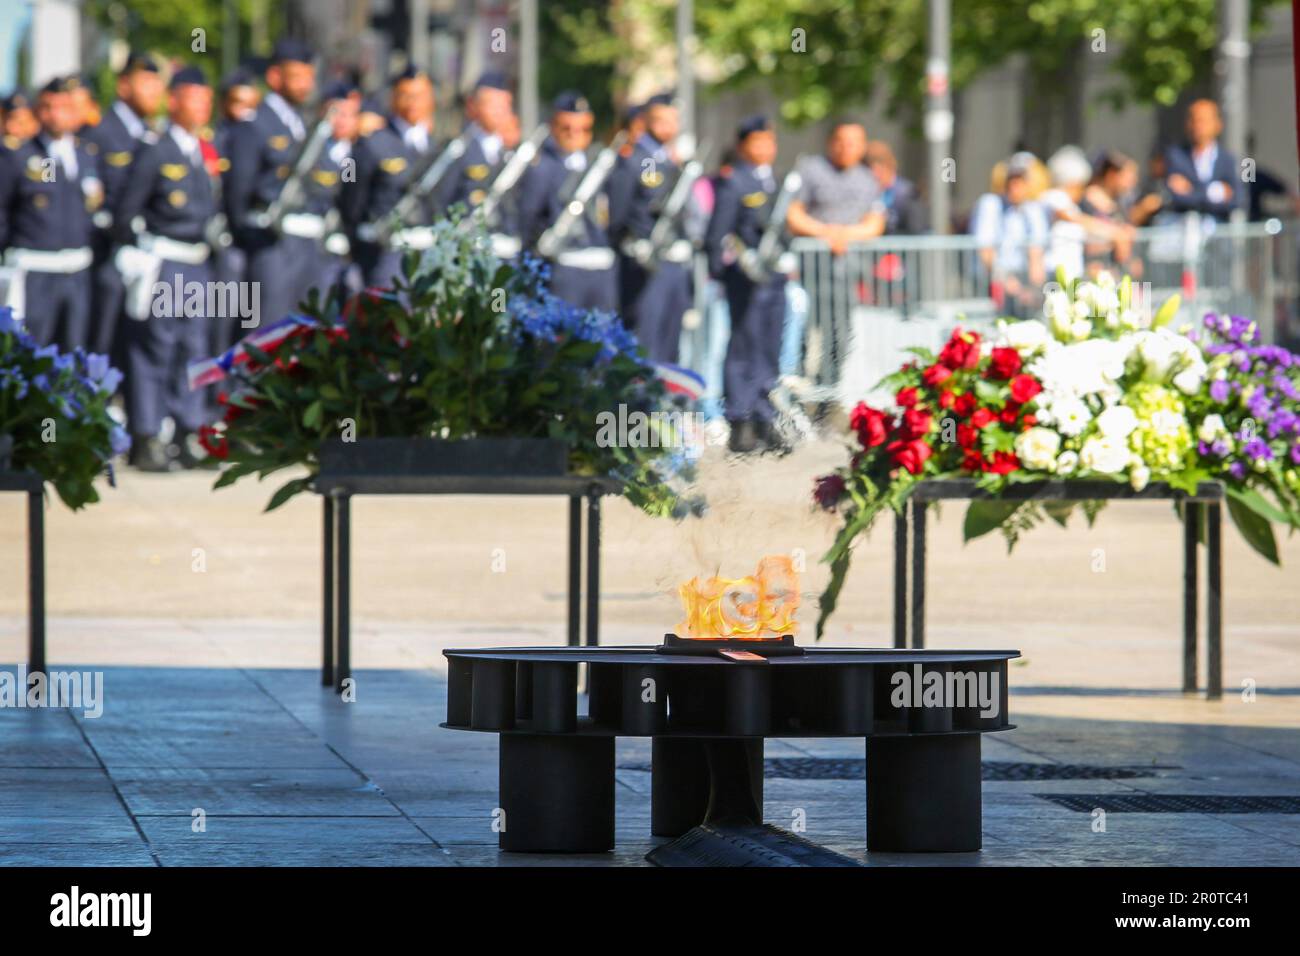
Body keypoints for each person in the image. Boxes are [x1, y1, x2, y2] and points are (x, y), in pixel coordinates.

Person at [113, 67, 219, 471]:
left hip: (196, 261)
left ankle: (188, 430)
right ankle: (147, 435)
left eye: (205, 101)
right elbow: (126, 212)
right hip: (165, 261)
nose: (201, 109)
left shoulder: (202, 150)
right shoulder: (155, 149)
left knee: (193, 349)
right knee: (155, 349)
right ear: (173, 102)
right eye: (193, 99)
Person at [705, 115, 787, 454]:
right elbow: (717, 234)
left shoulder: (776, 182)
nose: (764, 149)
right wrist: (722, 274)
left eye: (768, 142)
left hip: (773, 277)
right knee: (743, 346)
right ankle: (740, 419)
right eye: (756, 142)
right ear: (742, 147)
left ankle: (765, 416)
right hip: (745, 278)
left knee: (769, 346)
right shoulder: (734, 181)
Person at [0, 76, 100, 350]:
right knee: (32, 353)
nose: (58, 114)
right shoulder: (21, 155)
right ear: (39, 111)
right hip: (36, 273)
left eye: (66, 106)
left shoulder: (85, 154)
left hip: (76, 273)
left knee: (73, 354)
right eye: (50, 107)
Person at [224, 38, 318, 330]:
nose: (305, 84)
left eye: (308, 77)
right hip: (269, 244)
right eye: (297, 76)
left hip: (303, 244)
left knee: (302, 333)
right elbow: (237, 192)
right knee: (267, 335)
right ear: (275, 77)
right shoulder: (256, 124)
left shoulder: (301, 123)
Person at [80, 52, 164, 359]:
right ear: (124, 86)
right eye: (146, 82)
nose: (155, 91)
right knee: (101, 343)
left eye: (158, 83)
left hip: (145, 255)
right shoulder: (100, 133)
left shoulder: (153, 135)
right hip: (107, 254)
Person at [608, 92, 693, 364]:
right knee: (645, 340)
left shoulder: (672, 162)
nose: (669, 127)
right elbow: (618, 216)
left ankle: (665, 405)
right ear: (645, 121)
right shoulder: (634, 160)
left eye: (673, 121)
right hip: (645, 265)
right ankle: (638, 406)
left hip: (671, 262)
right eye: (661, 120)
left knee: (670, 340)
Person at [516, 91, 618, 312]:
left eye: (583, 129)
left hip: (601, 266)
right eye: (567, 129)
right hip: (565, 266)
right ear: (554, 127)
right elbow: (528, 218)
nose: (575, 135)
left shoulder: (599, 165)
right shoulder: (543, 168)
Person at [344, 66, 438, 288]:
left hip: (430, 254)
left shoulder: (436, 148)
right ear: (394, 98)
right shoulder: (373, 144)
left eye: (420, 96)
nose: (413, 103)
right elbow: (351, 198)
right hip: (388, 254)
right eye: (406, 95)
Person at [440, 72, 521, 256]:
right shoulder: (459, 150)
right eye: (492, 105)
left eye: (505, 105)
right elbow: (443, 200)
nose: (499, 112)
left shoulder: (512, 155)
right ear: (472, 106)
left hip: (506, 250)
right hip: (469, 249)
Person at [786, 120, 885, 254]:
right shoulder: (810, 169)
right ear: (830, 142)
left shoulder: (868, 178)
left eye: (852, 143)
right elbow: (794, 214)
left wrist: (845, 235)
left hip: (856, 261)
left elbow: (875, 222)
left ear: (863, 146)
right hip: (814, 259)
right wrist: (825, 233)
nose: (845, 148)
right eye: (840, 141)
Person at [969, 151, 1048, 317]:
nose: (1016, 187)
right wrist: (1008, 282)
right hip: (992, 280)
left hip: (1022, 284)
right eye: (1012, 180)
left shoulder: (1033, 209)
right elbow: (986, 252)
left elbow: (1036, 254)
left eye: (1021, 181)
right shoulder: (990, 204)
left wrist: (1034, 289)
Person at [1039, 145, 1133, 280]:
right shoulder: (1054, 197)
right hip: (1055, 272)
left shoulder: (1070, 204)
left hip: (1072, 273)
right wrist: (1113, 232)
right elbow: (1073, 218)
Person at [1163, 99, 1241, 222]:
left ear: (1217, 124)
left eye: (1203, 121)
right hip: (1186, 230)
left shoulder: (1229, 159)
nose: (1198, 126)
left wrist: (1193, 190)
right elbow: (1177, 198)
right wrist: (1216, 192)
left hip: (1218, 232)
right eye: (1194, 120)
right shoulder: (1176, 155)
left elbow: (1239, 199)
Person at [865, 140, 924, 235]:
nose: (874, 177)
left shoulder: (908, 193)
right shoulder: (871, 192)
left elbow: (916, 229)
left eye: (877, 171)